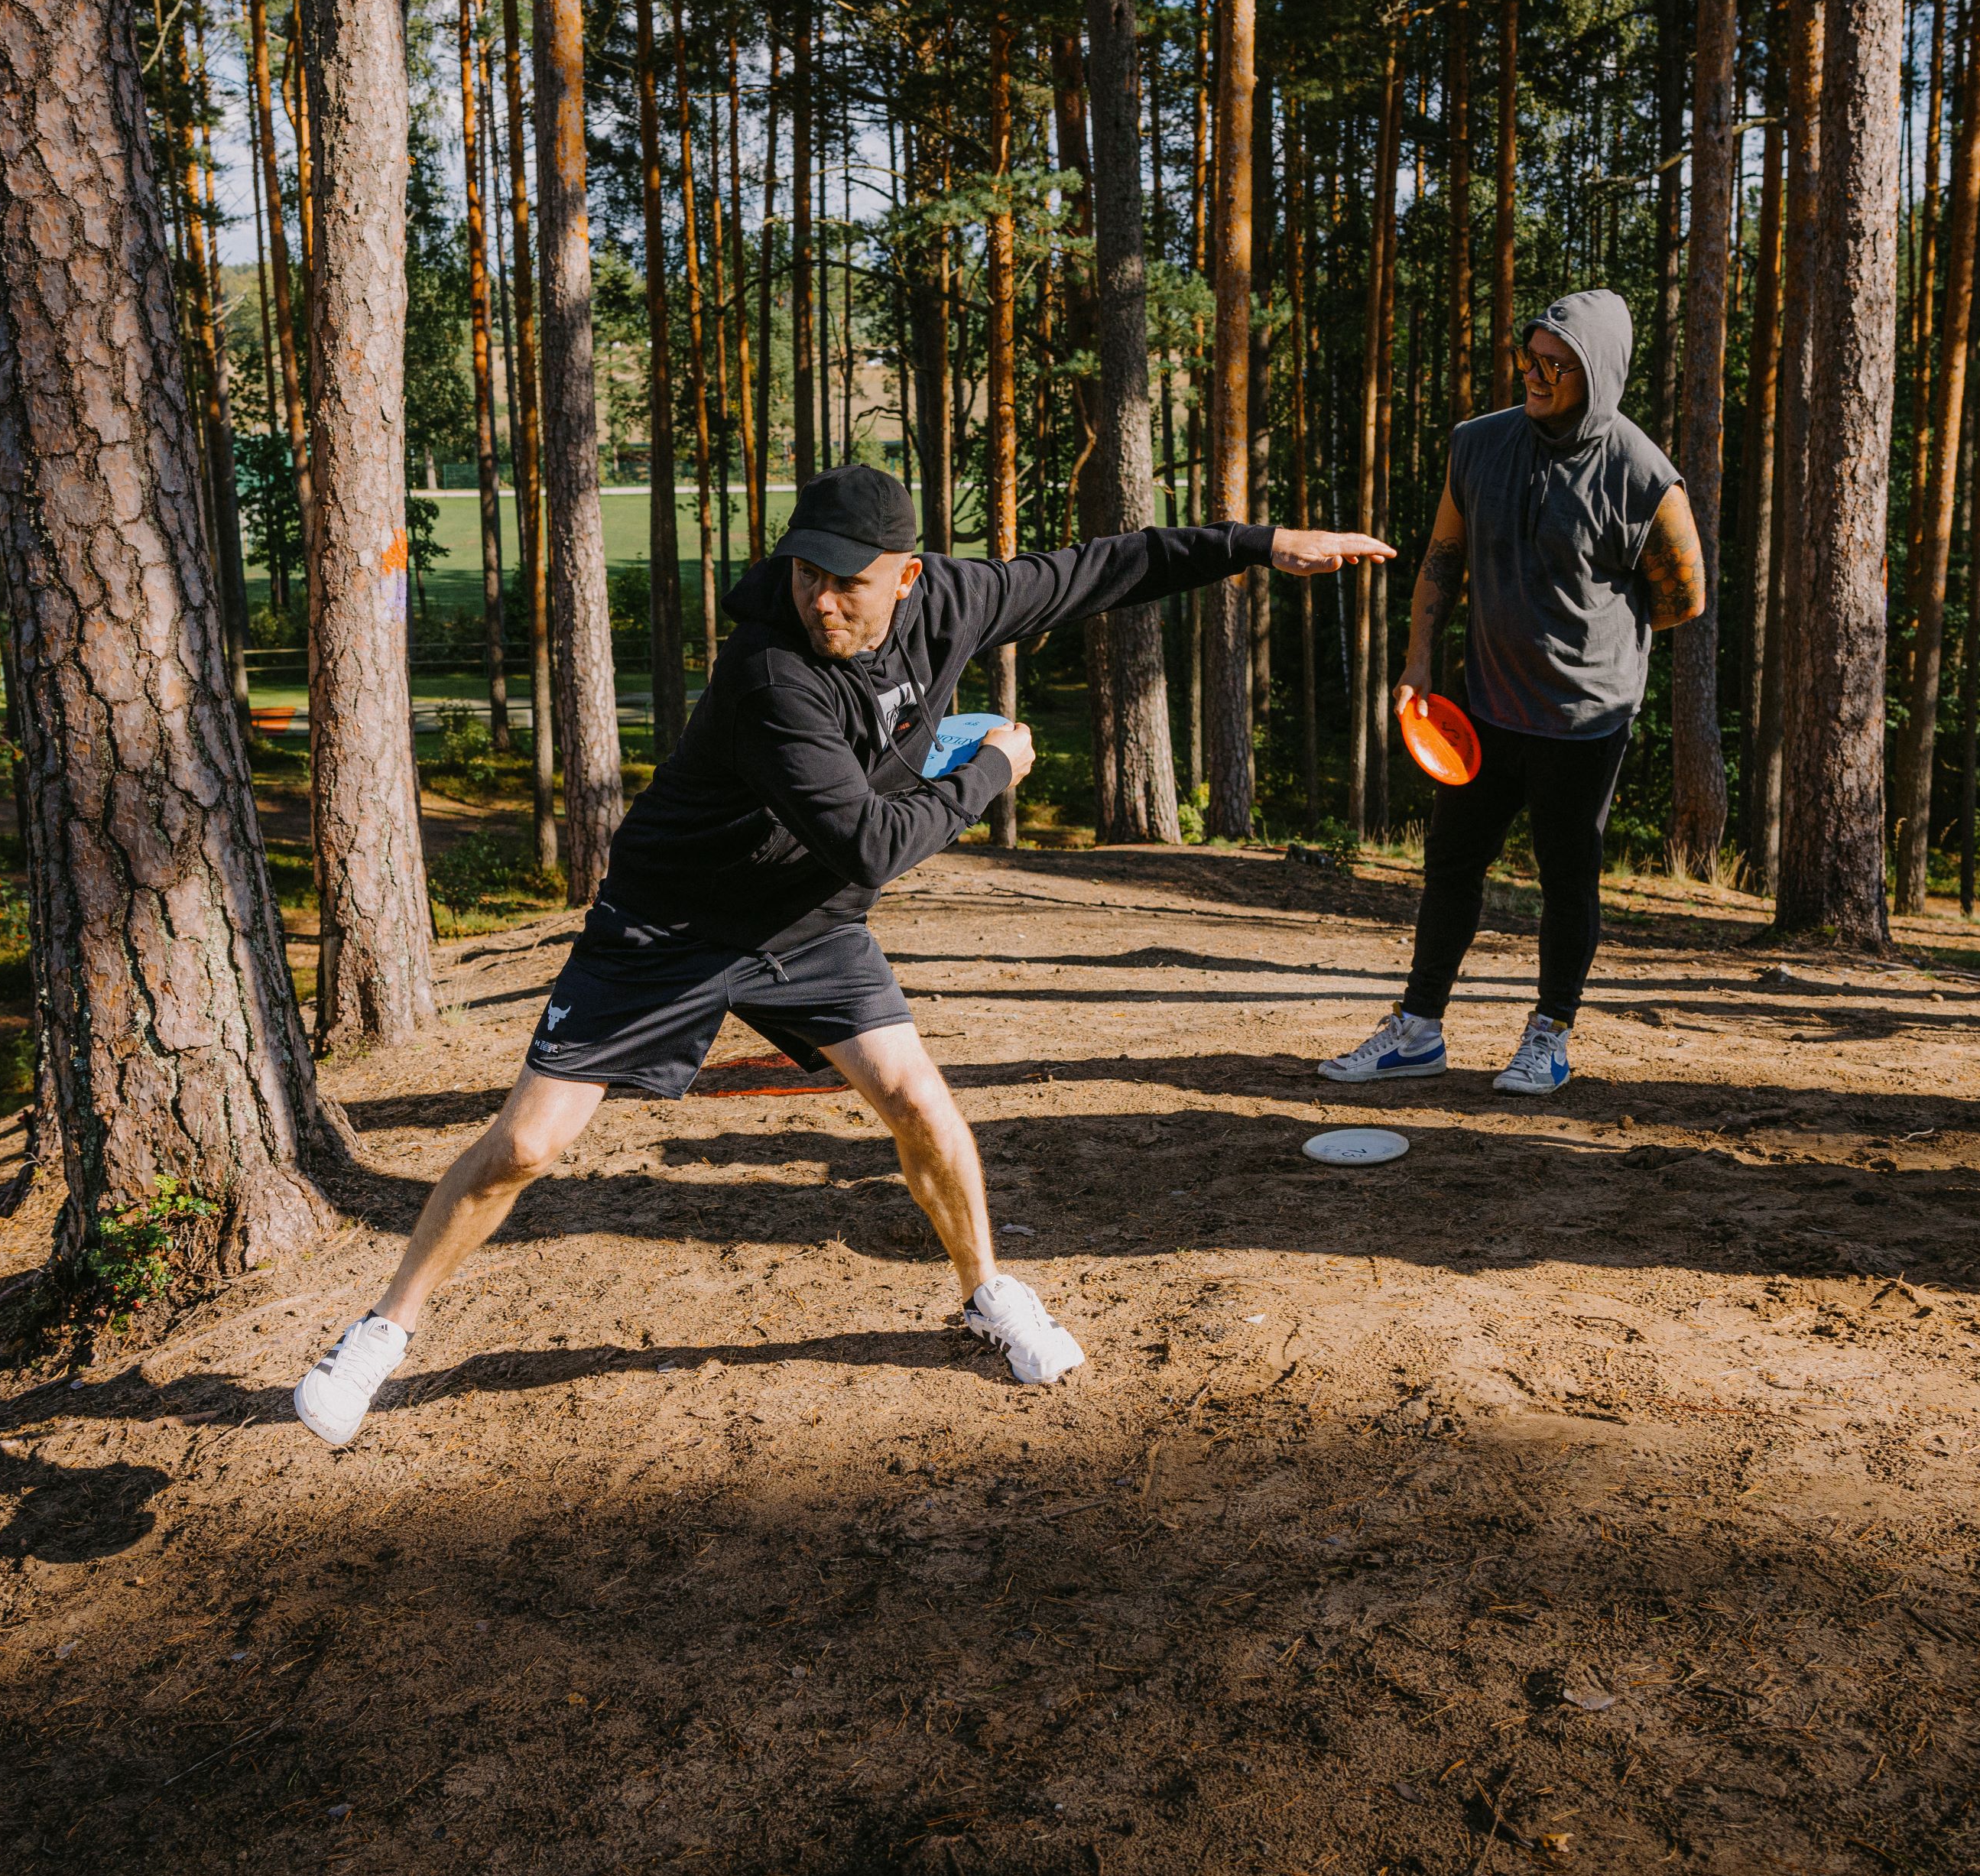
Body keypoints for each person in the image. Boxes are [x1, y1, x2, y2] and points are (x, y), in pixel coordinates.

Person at [296, 464, 1394, 1446]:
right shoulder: (771, 676)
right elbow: (873, 842)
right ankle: (382, 1332)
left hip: (806, 923)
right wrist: (991, 772)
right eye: (806, 574)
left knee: (920, 1101)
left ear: (907, 576)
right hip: (669, 923)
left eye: (846, 582)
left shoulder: (957, 600)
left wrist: (1254, 546)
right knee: (528, 1146)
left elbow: (1107, 565)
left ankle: (985, 1294)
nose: (820, 598)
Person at [1317, 290, 1703, 1095]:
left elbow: (1683, 597)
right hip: (1483, 703)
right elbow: (1442, 555)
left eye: (1555, 365)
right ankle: (1418, 1028)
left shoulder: (1642, 474)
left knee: (1568, 878)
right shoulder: (1478, 444)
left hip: (1583, 720)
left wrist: (1596, 645)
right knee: (1452, 863)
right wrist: (1419, 660)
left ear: (1595, 373)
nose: (1534, 375)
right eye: (1528, 357)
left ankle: (1549, 1034)